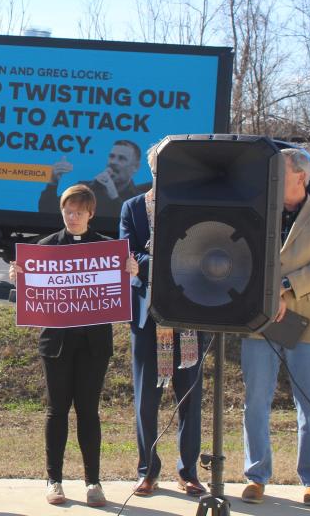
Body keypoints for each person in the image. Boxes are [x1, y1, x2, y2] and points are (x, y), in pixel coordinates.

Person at [9, 184, 138, 507]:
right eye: (68, 210)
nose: (73, 216)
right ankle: (54, 480)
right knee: (56, 411)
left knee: (88, 412)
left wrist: (130, 272)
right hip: (56, 344)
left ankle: (93, 482)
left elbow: (122, 286)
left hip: (94, 345)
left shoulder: (107, 250)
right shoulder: (45, 247)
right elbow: (32, 288)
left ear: (91, 214)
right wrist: (19, 275)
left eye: (79, 211)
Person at [240, 148, 310, 507]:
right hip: (261, 320)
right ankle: (256, 476)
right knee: (255, 401)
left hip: (307, 322)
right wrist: (269, 296)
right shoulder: (258, 211)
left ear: (300, 176)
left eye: (279, 170)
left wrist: (283, 288)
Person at [119, 146, 208, 498]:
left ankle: (188, 472)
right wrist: (164, 258)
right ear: (152, 168)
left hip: (187, 315)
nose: (165, 172)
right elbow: (128, 253)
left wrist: (153, 257)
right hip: (147, 317)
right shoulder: (133, 207)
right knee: (146, 400)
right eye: (160, 166)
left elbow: (198, 252)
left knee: (189, 398)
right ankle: (147, 471)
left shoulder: (192, 208)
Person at [39, 139, 150, 220]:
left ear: (135, 167)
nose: (113, 162)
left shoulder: (140, 198)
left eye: (121, 158)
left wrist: (114, 197)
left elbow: (133, 226)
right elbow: (48, 211)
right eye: (112, 156)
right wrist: (53, 182)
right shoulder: (86, 189)